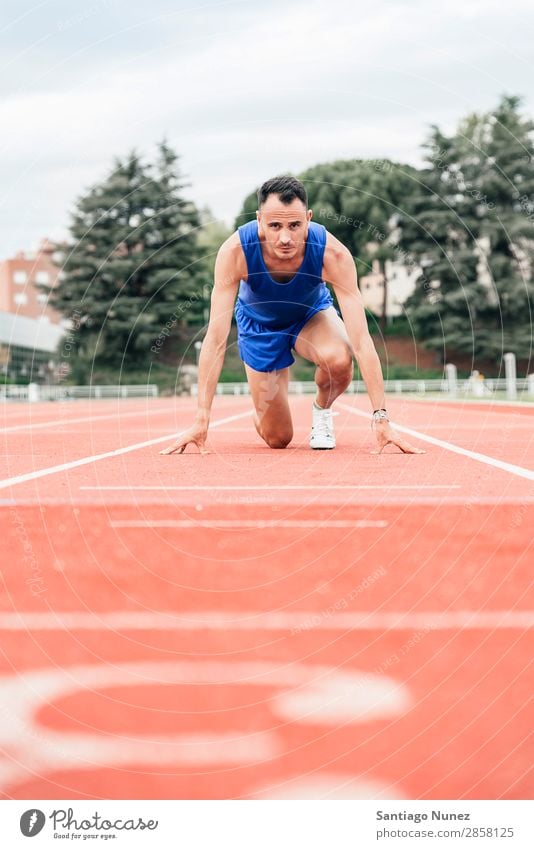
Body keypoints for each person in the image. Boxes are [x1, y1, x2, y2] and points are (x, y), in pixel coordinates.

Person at [160, 175, 424, 455]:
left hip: (310, 317)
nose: (285, 237)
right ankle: (263, 408)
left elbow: (361, 340)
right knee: (278, 439)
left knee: (340, 358)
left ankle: (322, 412)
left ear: (308, 219)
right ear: (260, 219)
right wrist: (202, 419)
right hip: (259, 327)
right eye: (275, 225)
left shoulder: (333, 255)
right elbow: (215, 339)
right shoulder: (235, 252)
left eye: (295, 225)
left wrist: (380, 418)